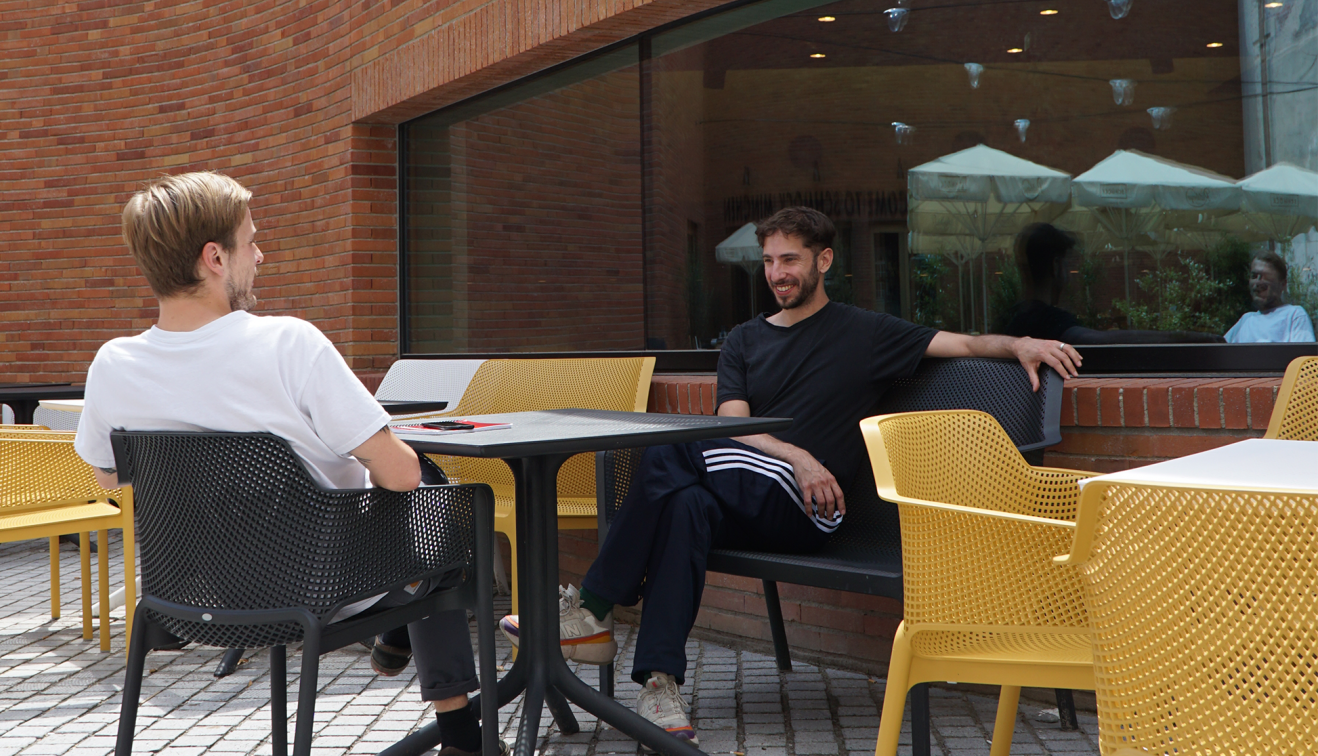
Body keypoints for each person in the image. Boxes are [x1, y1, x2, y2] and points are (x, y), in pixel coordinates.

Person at [498, 207, 1083, 748]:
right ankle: (659, 685)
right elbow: (732, 428)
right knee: (684, 507)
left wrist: (1021, 342)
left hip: (810, 507)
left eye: (791, 259)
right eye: (770, 261)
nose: (778, 273)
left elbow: (965, 342)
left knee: (670, 448)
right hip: (752, 488)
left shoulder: (866, 333)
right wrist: (793, 452)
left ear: (823, 261)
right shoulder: (745, 341)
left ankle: (597, 605)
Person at [73, 172, 494, 756]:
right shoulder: (288, 343)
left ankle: (405, 648)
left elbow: (109, 478)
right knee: (439, 496)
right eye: (251, 242)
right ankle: (459, 733)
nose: (260, 254)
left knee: (422, 512)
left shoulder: (113, 363)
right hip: (322, 587)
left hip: (194, 593)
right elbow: (398, 476)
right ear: (214, 258)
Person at [1004, 222, 1225, 344]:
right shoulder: (1048, 320)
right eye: (1070, 265)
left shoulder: (1013, 318)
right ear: (1056, 267)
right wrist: (1183, 337)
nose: (1072, 275)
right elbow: (1100, 341)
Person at [1225, 251, 1316, 343]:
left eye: (1266, 278)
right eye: (1254, 276)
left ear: (1283, 284)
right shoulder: (1246, 320)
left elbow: (1302, 354)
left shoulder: (1294, 315)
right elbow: (1220, 350)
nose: (1257, 283)